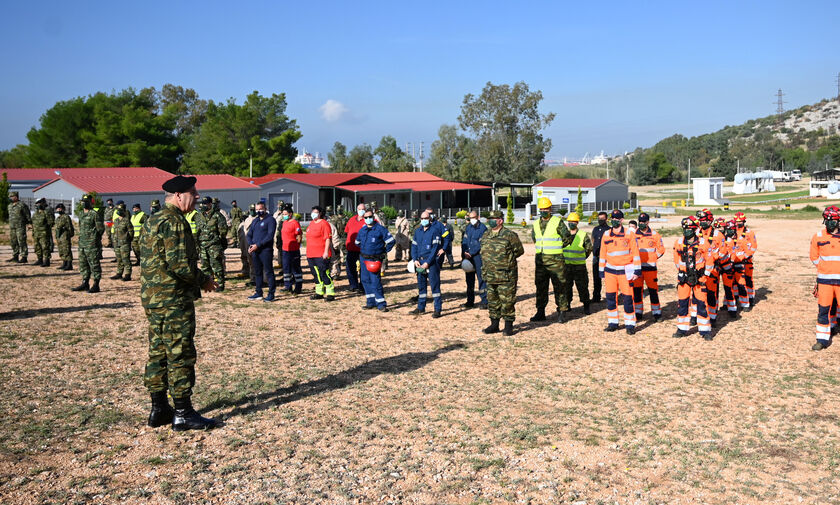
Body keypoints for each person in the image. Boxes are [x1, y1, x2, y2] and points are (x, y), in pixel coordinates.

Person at [140, 175, 218, 431]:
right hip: (173, 299)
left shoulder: (153, 220)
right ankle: (183, 412)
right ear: (178, 196)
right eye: (193, 193)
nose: (197, 197)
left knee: (158, 351)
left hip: (154, 298)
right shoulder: (175, 222)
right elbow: (180, 266)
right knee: (180, 353)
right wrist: (204, 280)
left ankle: (159, 408)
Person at [480, 210, 525, 336]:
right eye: (489, 218)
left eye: (494, 218)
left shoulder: (509, 235)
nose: (491, 221)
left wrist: (505, 262)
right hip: (490, 274)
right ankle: (494, 324)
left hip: (506, 275)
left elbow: (519, 251)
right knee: (492, 301)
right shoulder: (486, 234)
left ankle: (508, 326)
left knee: (508, 301)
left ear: (500, 220)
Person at [598, 209, 641, 335]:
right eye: (612, 218)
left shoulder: (629, 234)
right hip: (610, 272)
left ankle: (630, 324)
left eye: (617, 219)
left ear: (622, 220)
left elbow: (635, 253)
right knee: (611, 298)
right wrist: (601, 271)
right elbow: (602, 254)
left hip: (625, 271)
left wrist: (637, 270)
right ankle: (613, 323)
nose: (614, 221)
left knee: (628, 298)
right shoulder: (606, 234)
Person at [531, 197, 573, 323]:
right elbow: (535, 238)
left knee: (560, 286)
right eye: (542, 208)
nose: (544, 210)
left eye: (546, 208)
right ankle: (540, 311)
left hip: (556, 261)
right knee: (540, 286)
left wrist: (557, 248)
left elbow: (567, 238)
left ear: (550, 209)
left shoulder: (557, 221)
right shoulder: (535, 223)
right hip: (540, 261)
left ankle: (562, 311)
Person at [673, 216, 714, 339]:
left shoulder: (703, 243)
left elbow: (710, 260)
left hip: (699, 277)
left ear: (695, 229)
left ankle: (705, 331)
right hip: (684, 278)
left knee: (702, 304)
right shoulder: (679, 242)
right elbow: (676, 260)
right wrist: (682, 272)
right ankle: (681, 329)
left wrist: (705, 275)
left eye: (689, 229)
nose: (686, 231)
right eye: (684, 228)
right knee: (682, 303)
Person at [810, 206, 840, 350]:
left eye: (832, 220)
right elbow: (814, 257)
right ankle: (821, 340)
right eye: (827, 220)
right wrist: (824, 268)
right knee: (823, 310)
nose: (829, 223)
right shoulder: (818, 236)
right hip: (825, 281)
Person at [357, 208, 395, 311]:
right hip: (363, 259)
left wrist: (383, 252)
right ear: (363, 218)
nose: (368, 219)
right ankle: (370, 302)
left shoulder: (380, 229)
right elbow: (357, 242)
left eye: (370, 217)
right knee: (365, 280)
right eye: (366, 217)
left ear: (373, 217)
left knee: (375, 281)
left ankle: (381, 304)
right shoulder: (362, 229)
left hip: (375, 260)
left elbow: (391, 241)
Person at [632, 212, 666, 321]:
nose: (641, 223)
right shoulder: (633, 235)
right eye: (640, 221)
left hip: (650, 268)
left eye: (643, 222)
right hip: (637, 269)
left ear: (648, 222)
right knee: (637, 291)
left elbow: (661, 249)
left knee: (653, 291)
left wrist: (653, 257)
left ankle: (656, 313)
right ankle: (638, 312)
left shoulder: (655, 234)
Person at [410, 210, 444, 317]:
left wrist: (428, 262)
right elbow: (414, 246)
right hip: (420, 262)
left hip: (431, 262)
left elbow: (435, 249)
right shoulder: (418, 231)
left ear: (429, 219)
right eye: (422, 219)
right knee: (421, 286)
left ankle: (437, 309)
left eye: (426, 218)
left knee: (435, 286)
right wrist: (415, 259)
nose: (424, 220)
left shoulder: (435, 231)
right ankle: (421, 307)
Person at [71, 194, 104, 293]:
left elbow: (100, 229)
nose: (84, 203)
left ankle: (96, 284)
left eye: (86, 201)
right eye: (83, 201)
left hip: (92, 244)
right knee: (83, 264)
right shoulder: (81, 214)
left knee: (94, 264)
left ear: (91, 203)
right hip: (82, 243)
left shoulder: (94, 214)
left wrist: (94, 239)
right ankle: (85, 283)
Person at [563, 212, 593, 314]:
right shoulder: (564, 235)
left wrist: (582, 257)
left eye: (573, 222)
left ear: (577, 223)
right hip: (566, 266)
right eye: (569, 221)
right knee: (566, 287)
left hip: (579, 267)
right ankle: (567, 305)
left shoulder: (583, 235)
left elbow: (589, 248)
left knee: (582, 287)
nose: (571, 223)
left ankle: (586, 306)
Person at [246, 202, 277, 302]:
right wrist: (251, 245)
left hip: (265, 250)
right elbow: (249, 234)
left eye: (261, 209)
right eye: (257, 209)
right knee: (257, 272)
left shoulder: (270, 220)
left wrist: (257, 245)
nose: (259, 211)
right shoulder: (255, 221)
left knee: (268, 272)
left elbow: (269, 236)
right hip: (255, 251)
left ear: (265, 208)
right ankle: (258, 292)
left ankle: (271, 294)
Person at [197, 196, 228, 292]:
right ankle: (208, 283)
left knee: (216, 266)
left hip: (214, 245)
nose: (204, 205)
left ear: (210, 204)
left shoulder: (217, 215)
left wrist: (219, 240)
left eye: (206, 203)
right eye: (203, 203)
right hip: (203, 245)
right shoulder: (199, 216)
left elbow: (223, 230)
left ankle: (220, 284)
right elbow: (198, 230)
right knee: (205, 266)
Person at [306, 206, 336, 301]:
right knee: (316, 274)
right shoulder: (311, 223)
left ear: (320, 214)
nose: (313, 214)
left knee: (324, 273)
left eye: (316, 212)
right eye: (312, 212)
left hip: (321, 254)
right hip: (311, 254)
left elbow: (328, 239)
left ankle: (330, 293)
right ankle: (319, 292)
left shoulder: (324, 224)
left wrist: (326, 251)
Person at [461, 210, 488, 309]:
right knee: (469, 280)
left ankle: (484, 301)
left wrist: (471, 253)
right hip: (468, 256)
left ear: (478, 217)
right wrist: (465, 252)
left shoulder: (483, 228)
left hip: (478, 257)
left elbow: (481, 243)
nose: (472, 220)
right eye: (470, 218)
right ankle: (470, 301)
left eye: (473, 217)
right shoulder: (468, 228)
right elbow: (464, 240)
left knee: (481, 279)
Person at [734, 212, 758, 307]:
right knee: (736, 281)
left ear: (744, 221)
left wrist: (746, 256)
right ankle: (736, 298)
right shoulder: (733, 231)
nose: (738, 223)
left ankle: (751, 298)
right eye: (736, 222)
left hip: (747, 262)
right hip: (735, 261)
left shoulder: (749, 233)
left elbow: (754, 246)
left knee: (748, 280)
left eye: (740, 222)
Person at [344, 203, 369, 293]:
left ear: (365, 210)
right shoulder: (351, 220)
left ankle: (363, 286)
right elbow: (347, 232)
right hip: (351, 248)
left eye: (362, 209)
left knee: (363, 268)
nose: (360, 211)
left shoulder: (369, 220)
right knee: (350, 267)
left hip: (363, 249)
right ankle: (353, 285)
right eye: (359, 209)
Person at [279, 205, 304, 294]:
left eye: (285, 214)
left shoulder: (295, 223)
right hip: (285, 249)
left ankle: (298, 287)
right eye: (283, 214)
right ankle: (288, 286)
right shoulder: (284, 222)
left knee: (296, 269)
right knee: (286, 268)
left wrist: (297, 246)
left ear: (290, 214)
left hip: (293, 250)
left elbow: (299, 235)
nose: (284, 215)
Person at [109, 203, 134, 281]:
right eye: (118, 210)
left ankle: (127, 275)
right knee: (119, 259)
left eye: (120, 210)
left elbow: (131, 232)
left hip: (124, 243)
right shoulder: (116, 221)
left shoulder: (127, 221)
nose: (119, 212)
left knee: (125, 259)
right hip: (116, 243)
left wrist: (127, 239)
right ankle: (119, 273)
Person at [590, 211, 610, 303]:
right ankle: (596, 296)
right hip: (596, 257)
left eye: (602, 219)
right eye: (599, 219)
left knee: (609, 278)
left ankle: (610, 296)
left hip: (606, 258)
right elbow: (593, 240)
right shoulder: (595, 229)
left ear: (606, 219)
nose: (600, 220)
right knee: (596, 278)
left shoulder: (610, 230)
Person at [7, 191, 30, 263]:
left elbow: (27, 215)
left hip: (20, 227)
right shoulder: (9, 206)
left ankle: (24, 257)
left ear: (16, 197)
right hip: (12, 227)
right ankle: (15, 256)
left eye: (11, 196)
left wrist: (29, 224)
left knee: (21, 241)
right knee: (13, 241)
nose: (10, 198)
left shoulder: (22, 205)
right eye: (9, 197)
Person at [31, 197, 54, 267]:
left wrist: (45, 227)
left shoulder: (46, 212)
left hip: (44, 233)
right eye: (37, 203)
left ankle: (46, 261)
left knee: (45, 247)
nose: (38, 205)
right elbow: (33, 222)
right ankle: (39, 259)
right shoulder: (35, 214)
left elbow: (51, 222)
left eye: (40, 203)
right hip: (36, 233)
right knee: (37, 247)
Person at [238, 204, 257, 285]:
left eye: (254, 210)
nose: (252, 211)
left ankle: (259, 279)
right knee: (251, 261)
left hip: (256, 243)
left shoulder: (258, 219)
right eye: (251, 210)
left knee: (256, 262)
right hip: (247, 243)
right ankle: (253, 278)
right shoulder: (247, 220)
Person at [54, 203, 74, 270]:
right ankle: (64, 263)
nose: (59, 210)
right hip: (59, 237)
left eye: (60, 209)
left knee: (67, 250)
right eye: (58, 209)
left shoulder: (66, 217)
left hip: (65, 236)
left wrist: (69, 234)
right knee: (61, 250)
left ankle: (69, 265)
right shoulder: (58, 218)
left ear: (63, 209)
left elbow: (69, 227)